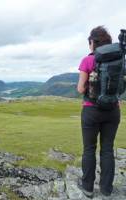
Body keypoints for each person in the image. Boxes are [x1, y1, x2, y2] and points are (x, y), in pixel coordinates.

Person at [77, 26, 120, 198]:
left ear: (93, 43)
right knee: (107, 150)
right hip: (113, 110)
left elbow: (81, 89)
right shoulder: (119, 59)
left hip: (91, 110)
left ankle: (88, 188)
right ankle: (106, 190)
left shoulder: (87, 61)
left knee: (89, 149)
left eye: (89, 42)